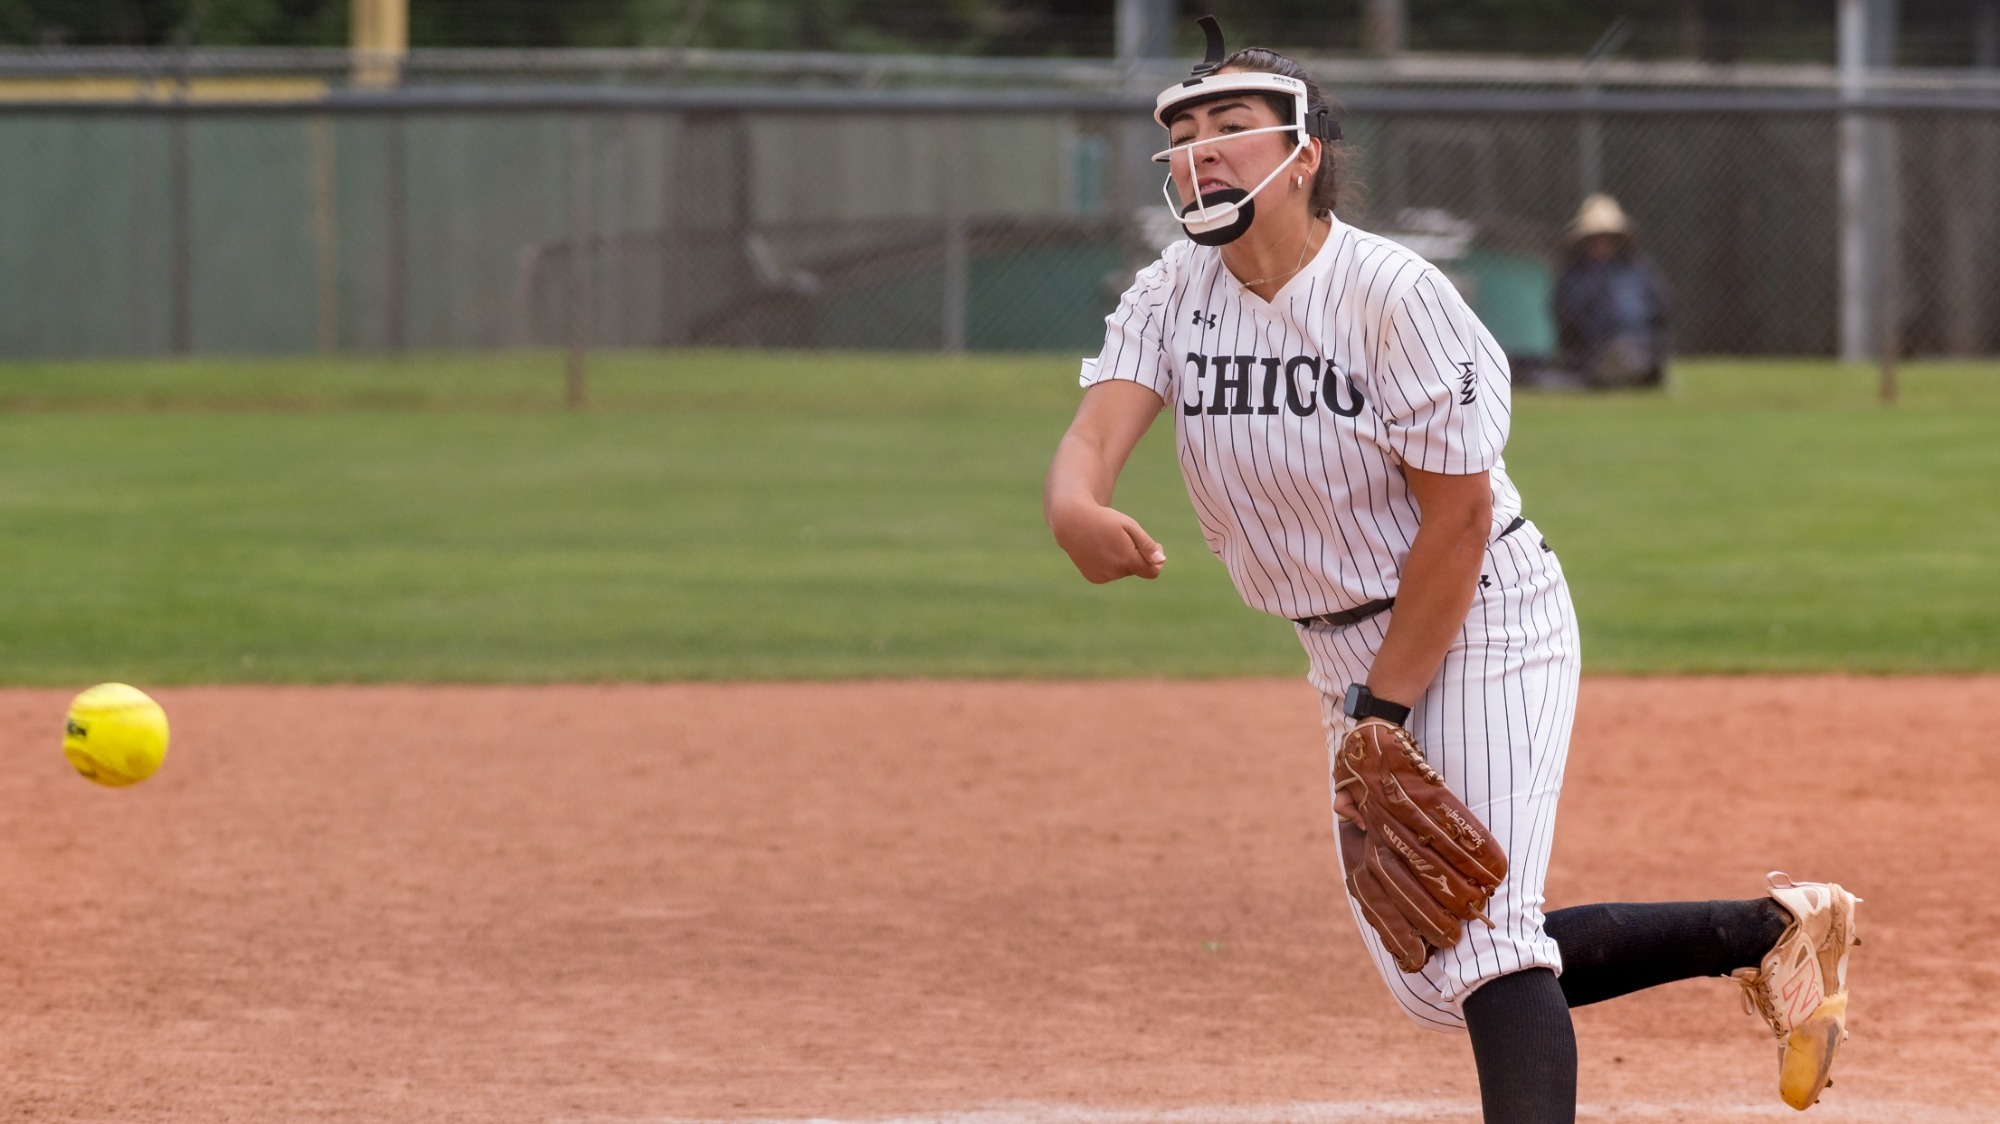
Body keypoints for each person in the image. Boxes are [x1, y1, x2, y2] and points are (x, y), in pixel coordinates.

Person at [1041, 18, 1859, 1122]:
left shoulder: (1393, 295)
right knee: (1436, 976)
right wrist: (1073, 504)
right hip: (1336, 644)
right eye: (1184, 130)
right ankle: (1766, 932)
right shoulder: (1175, 290)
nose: (1201, 149)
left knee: (1481, 943)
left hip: (1476, 616)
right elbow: (1095, 436)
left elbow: (1458, 522)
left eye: (1231, 125)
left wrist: (1383, 705)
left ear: (1304, 151)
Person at [1553, 193, 1670, 388]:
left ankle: (1632, 368)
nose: (1602, 244)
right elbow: (1568, 322)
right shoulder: (1574, 276)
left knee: (1629, 354)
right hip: (1594, 354)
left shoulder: (1639, 271)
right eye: (1595, 238)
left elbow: (1662, 310)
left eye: (1608, 237)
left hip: (1640, 346)